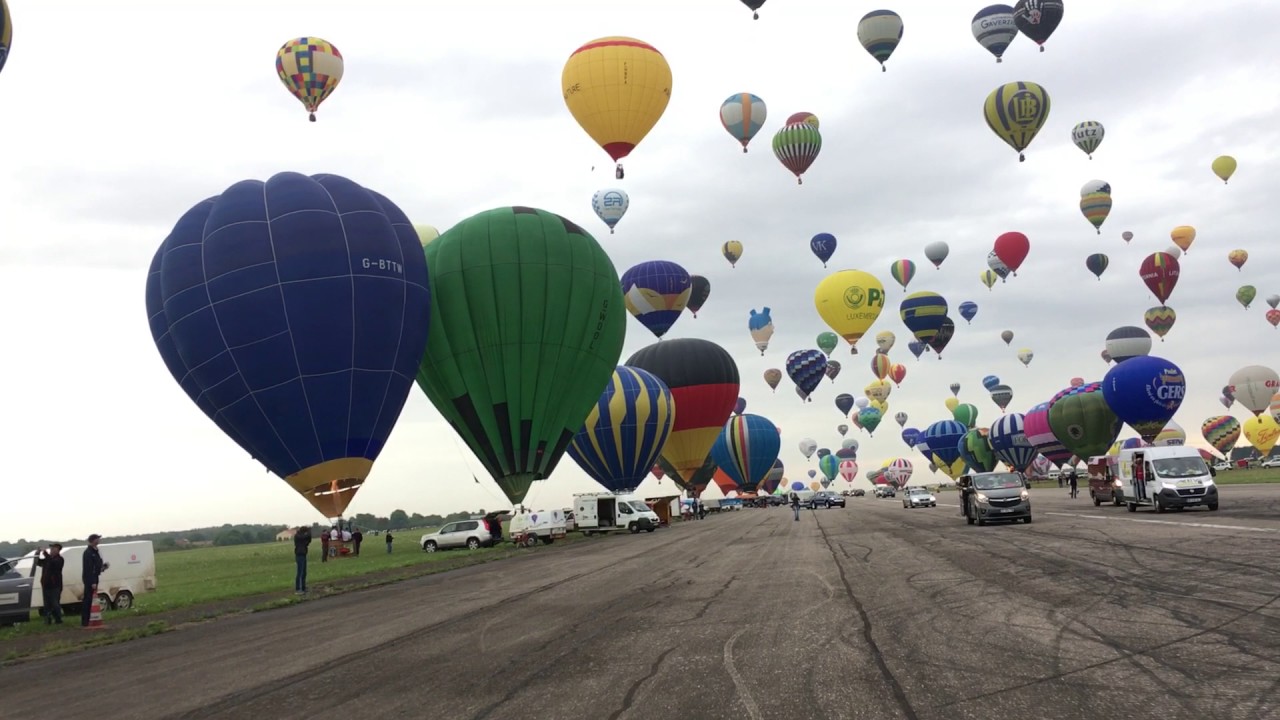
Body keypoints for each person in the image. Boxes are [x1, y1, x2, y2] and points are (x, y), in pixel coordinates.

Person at [80, 534, 109, 627]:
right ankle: (85, 621)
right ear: (92, 540)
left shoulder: (96, 552)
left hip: (95, 577)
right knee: (88, 599)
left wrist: (103, 567)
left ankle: (90, 619)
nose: (99, 540)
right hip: (90, 579)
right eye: (97, 539)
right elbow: (89, 568)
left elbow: (96, 566)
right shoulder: (88, 552)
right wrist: (92, 582)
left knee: (91, 599)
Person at [36, 544, 64, 625]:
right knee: (47, 604)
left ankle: (58, 619)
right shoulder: (47, 560)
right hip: (46, 585)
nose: (51, 550)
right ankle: (47, 620)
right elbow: (38, 562)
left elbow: (53, 564)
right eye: (51, 549)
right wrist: (37, 553)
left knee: (55, 603)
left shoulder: (60, 559)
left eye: (54, 549)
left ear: (58, 550)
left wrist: (45, 553)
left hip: (55, 585)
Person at [293, 526, 311, 593]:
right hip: (299, 554)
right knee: (300, 572)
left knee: (304, 572)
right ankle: (298, 589)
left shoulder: (301, 537)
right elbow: (303, 537)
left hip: (303, 554)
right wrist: (308, 533)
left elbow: (308, 541)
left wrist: (308, 534)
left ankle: (303, 587)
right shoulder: (298, 536)